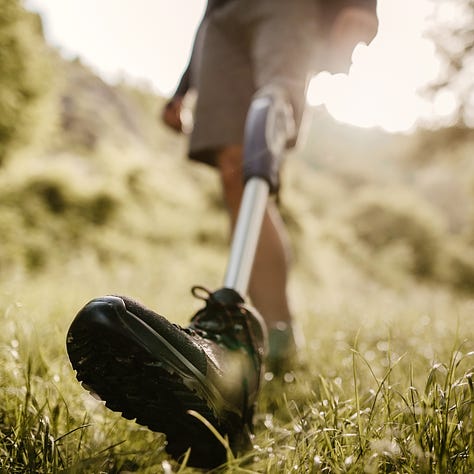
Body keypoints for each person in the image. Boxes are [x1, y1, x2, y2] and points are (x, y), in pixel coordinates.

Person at [66, 0, 378, 469]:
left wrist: (360, 6)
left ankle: (259, 337)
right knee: (234, 170)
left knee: (268, 122)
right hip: (223, 15)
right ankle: (244, 355)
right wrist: (183, 87)